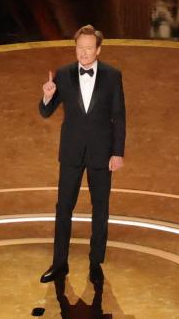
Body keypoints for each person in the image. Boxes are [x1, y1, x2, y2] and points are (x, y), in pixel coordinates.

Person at [37, 25, 126, 285]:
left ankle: (95, 262)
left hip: (102, 152)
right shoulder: (63, 75)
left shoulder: (112, 75)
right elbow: (46, 112)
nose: (83, 53)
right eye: (79, 48)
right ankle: (59, 262)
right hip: (72, 152)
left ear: (98, 49)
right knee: (63, 208)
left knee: (101, 209)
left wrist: (117, 153)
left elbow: (119, 116)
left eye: (88, 48)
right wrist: (47, 95)